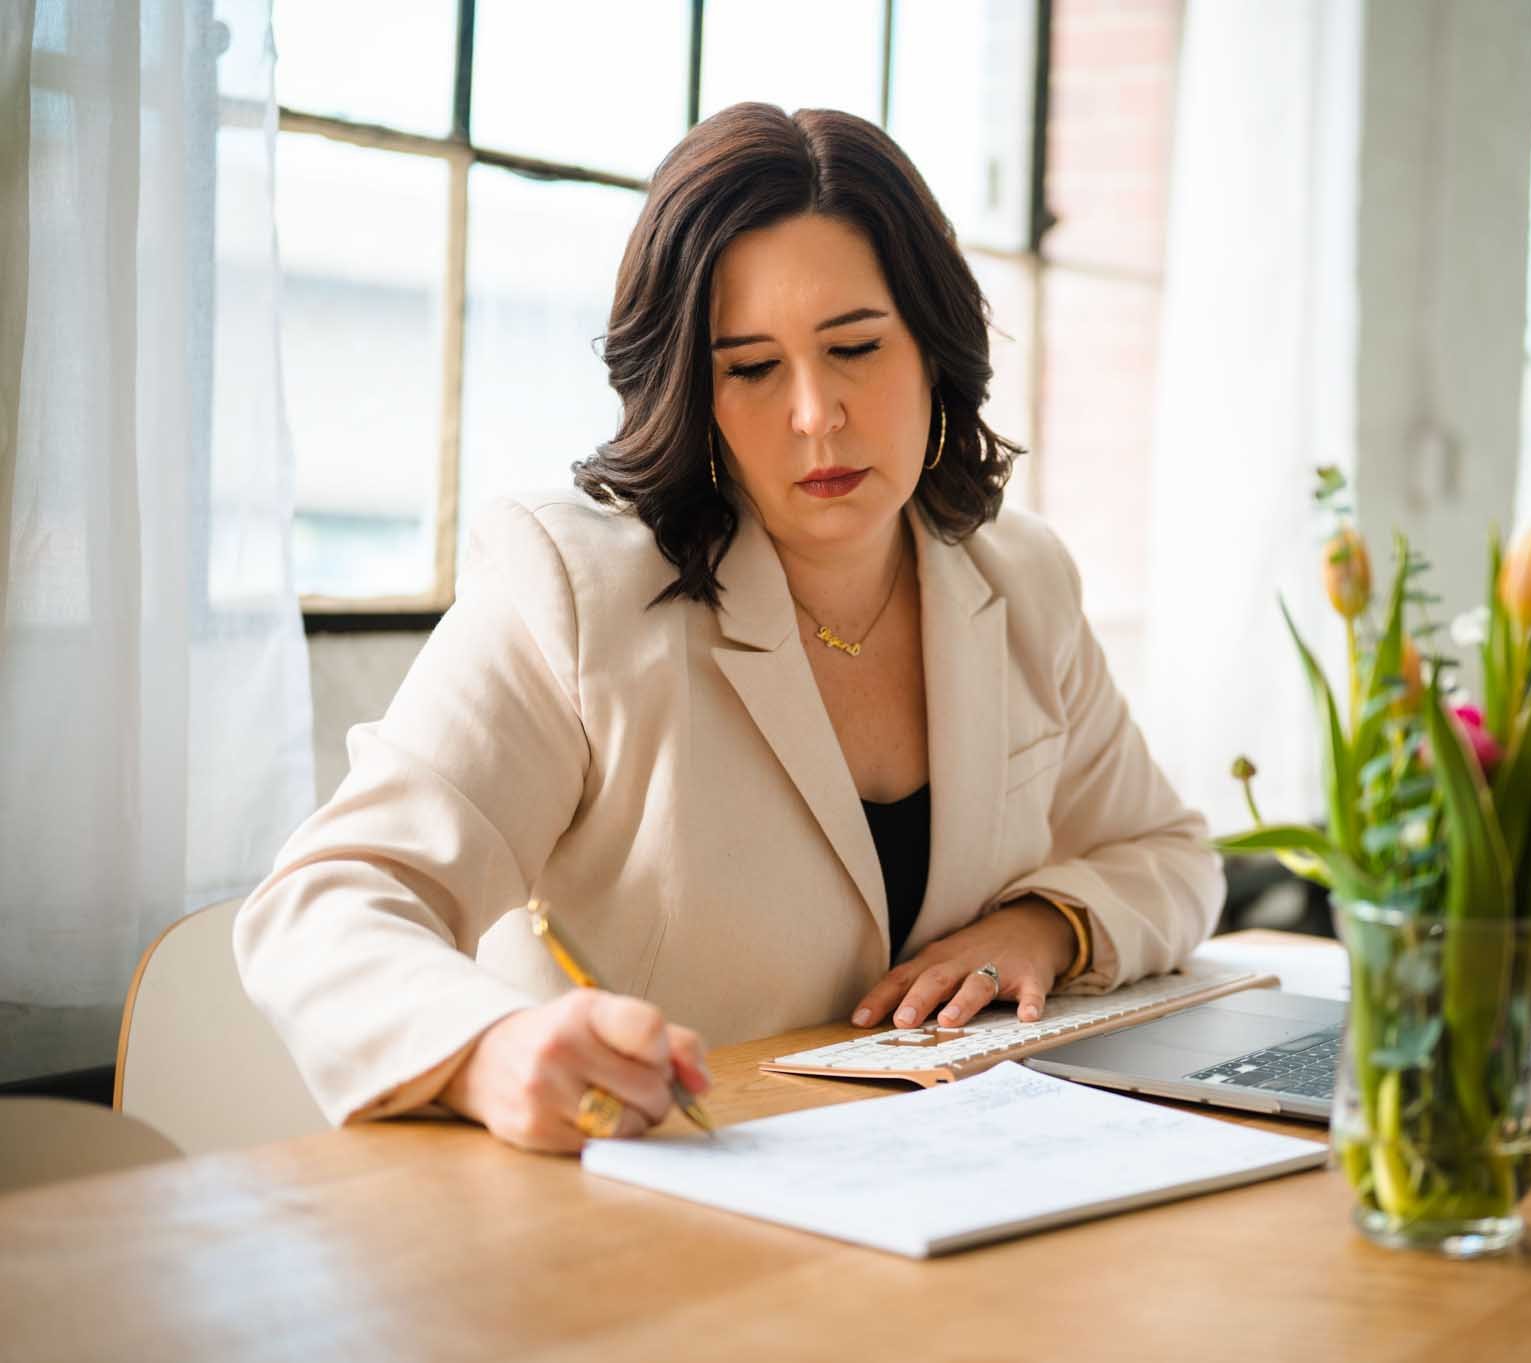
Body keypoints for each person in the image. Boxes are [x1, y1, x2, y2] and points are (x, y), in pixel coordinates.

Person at [234, 103, 1222, 1154]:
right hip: (656, 1195)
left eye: (854, 346)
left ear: (933, 348)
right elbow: (326, 904)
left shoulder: (1017, 576)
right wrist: (490, 1048)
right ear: (692, 394)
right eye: (750, 368)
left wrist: (1045, 927)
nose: (815, 413)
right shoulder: (574, 591)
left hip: (959, 1182)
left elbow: (1168, 854)